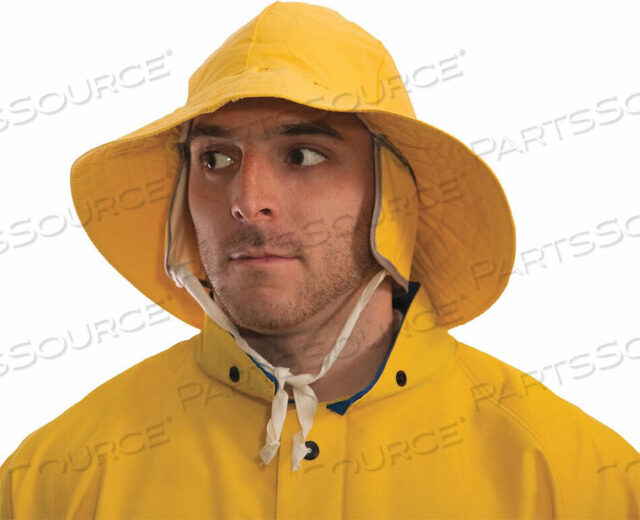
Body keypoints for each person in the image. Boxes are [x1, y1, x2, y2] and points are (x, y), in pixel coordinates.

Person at [1, 1, 638, 518]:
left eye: (303, 155)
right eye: (215, 160)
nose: (247, 202)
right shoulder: (54, 481)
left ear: (394, 198)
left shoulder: (577, 480)